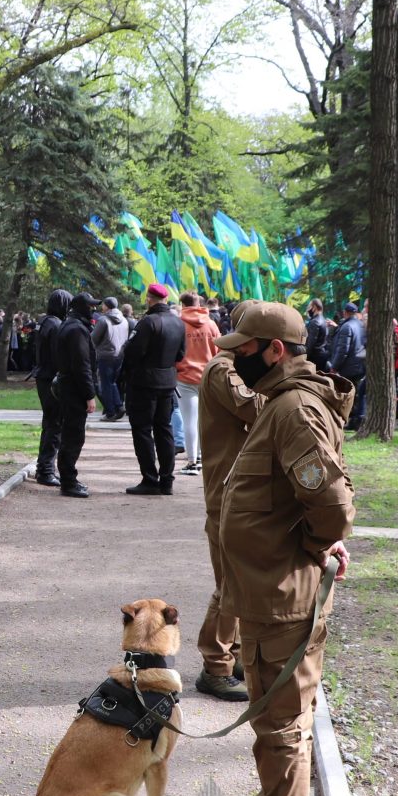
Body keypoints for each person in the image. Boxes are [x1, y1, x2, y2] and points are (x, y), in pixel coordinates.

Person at [213, 302, 354, 796]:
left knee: (281, 731)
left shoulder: (294, 408)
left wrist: (322, 546)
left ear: (275, 350)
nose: (232, 354)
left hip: (281, 600)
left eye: (244, 346)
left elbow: (331, 502)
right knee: (275, 727)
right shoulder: (278, 401)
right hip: (266, 595)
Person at [194, 298, 259, 704]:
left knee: (238, 581)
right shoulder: (223, 368)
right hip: (226, 490)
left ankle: (230, 657)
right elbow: (256, 406)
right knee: (230, 584)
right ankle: (215, 667)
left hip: (238, 487)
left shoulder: (235, 365)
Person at [121, 283, 186, 495]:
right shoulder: (178, 323)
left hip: (144, 383)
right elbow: (181, 355)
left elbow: (132, 352)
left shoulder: (148, 322)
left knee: (142, 431)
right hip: (167, 381)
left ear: (149, 299)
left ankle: (150, 478)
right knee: (164, 430)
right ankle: (167, 480)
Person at [53, 293, 99, 498]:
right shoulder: (76, 329)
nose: (94, 310)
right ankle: (68, 481)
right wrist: (90, 394)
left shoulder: (71, 325)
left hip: (69, 385)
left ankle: (69, 477)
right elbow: (82, 365)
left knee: (71, 434)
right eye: (91, 306)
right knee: (73, 435)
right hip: (73, 388)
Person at [176, 292, 220, 474]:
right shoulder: (210, 324)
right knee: (204, 420)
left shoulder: (179, 323)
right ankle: (202, 457)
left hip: (185, 376)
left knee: (189, 421)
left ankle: (192, 462)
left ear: (182, 304)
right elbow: (219, 349)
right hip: (207, 375)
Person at [32, 290, 71, 485]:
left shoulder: (44, 321)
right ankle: (46, 469)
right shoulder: (55, 325)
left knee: (50, 423)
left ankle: (44, 467)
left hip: (43, 376)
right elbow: (58, 355)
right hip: (50, 379)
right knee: (54, 425)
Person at [327, 302, 367, 430]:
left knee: (348, 395)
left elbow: (343, 349)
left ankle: (350, 420)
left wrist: (335, 366)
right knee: (357, 394)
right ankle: (355, 420)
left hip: (348, 366)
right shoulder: (361, 325)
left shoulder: (347, 327)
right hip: (359, 364)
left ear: (346, 312)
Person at [91, 296, 128, 421]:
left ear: (107, 306)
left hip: (105, 355)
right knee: (112, 382)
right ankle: (118, 405)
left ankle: (111, 412)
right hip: (119, 356)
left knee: (106, 384)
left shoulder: (103, 320)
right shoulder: (124, 320)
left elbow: (94, 338)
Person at [304, 298, 331, 372]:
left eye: (309, 306)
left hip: (315, 358)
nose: (307, 309)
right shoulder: (323, 320)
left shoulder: (315, 322)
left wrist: (305, 358)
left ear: (314, 307)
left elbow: (310, 344)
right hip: (322, 356)